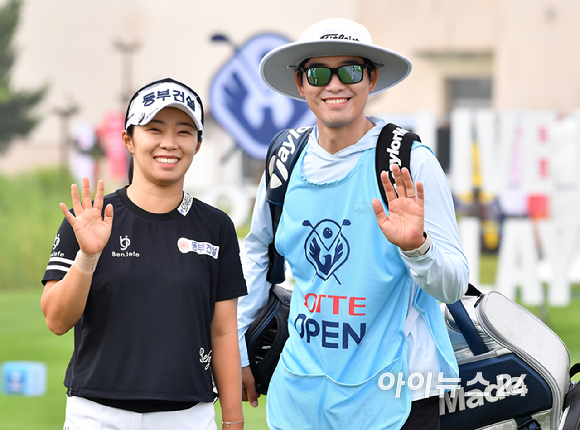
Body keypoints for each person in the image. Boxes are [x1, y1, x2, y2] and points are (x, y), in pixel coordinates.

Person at [237, 18, 469, 430]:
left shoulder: (410, 162)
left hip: (400, 393)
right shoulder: (284, 162)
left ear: (371, 78)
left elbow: (452, 285)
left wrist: (418, 248)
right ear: (300, 83)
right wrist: (238, 349)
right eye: (318, 73)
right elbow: (256, 252)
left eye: (349, 70)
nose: (334, 85)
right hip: (302, 393)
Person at [41, 78, 246, 430]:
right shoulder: (89, 219)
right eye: (154, 129)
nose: (169, 143)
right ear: (128, 141)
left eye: (184, 131)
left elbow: (223, 332)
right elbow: (57, 321)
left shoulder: (216, 227)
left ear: (198, 144)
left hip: (188, 417)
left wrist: (233, 421)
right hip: (97, 414)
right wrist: (87, 257)